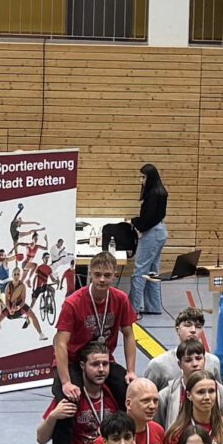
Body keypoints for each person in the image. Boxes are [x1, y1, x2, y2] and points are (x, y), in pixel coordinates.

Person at [55, 254, 138, 387]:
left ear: (115, 275)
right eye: (97, 274)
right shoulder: (72, 303)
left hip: (102, 361)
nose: (102, 279)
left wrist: (131, 371)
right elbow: (60, 343)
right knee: (69, 396)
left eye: (107, 275)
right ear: (90, 273)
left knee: (130, 389)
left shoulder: (121, 299)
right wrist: (66, 382)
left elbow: (129, 335)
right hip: (74, 361)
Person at [129, 163, 169, 318]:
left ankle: (132, 309)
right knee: (152, 271)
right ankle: (153, 306)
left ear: (150, 177)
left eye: (143, 177)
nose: (141, 180)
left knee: (140, 271)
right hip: (160, 231)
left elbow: (148, 220)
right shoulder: (161, 192)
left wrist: (135, 222)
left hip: (152, 234)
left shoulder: (153, 194)